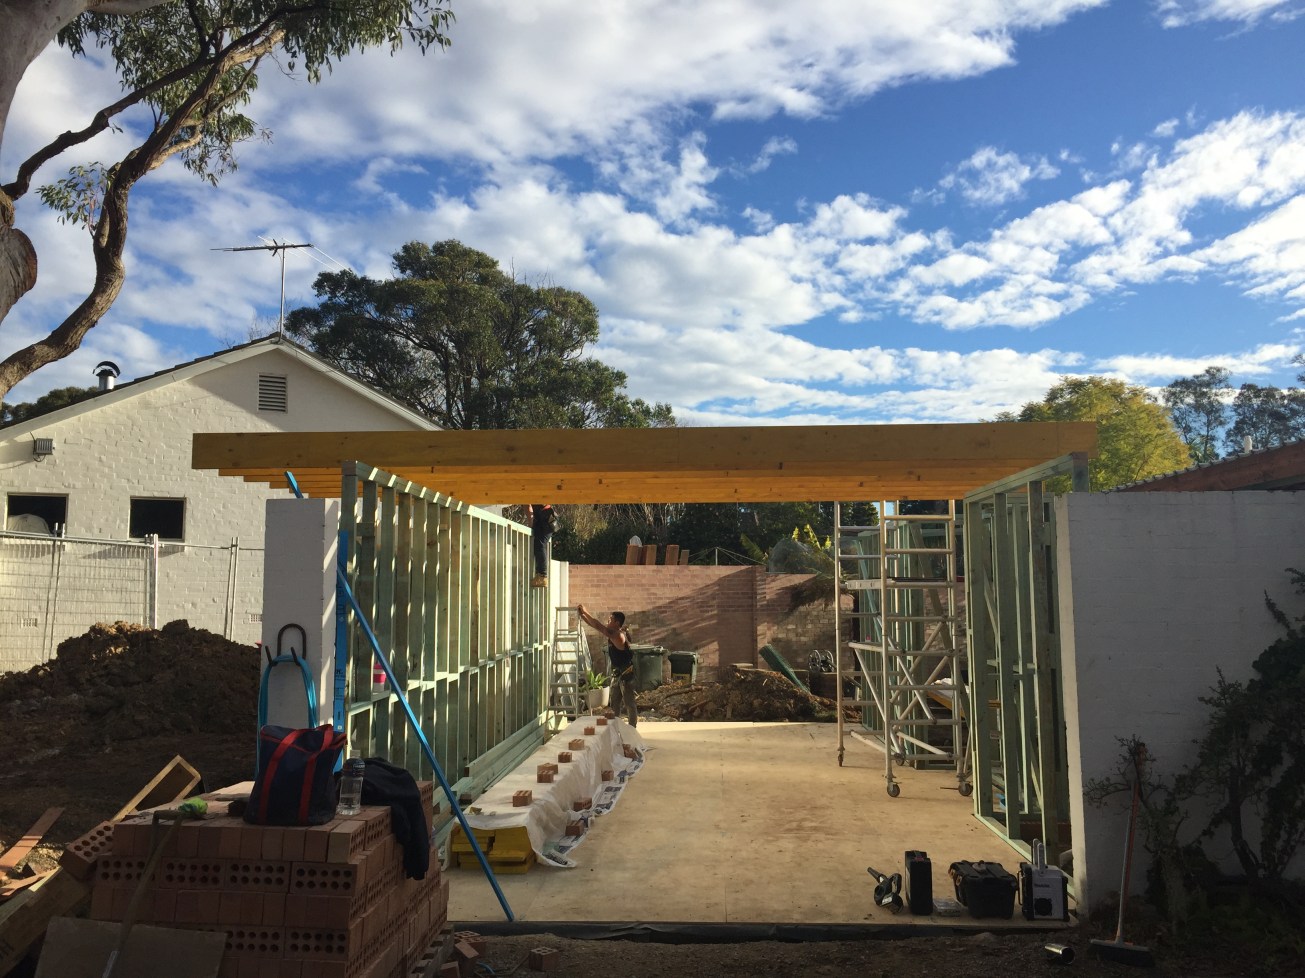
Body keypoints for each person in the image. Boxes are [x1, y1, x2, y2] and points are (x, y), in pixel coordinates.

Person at [576, 603, 637, 726]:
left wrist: (586, 611)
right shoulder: (614, 633)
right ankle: (616, 728)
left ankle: (632, 730)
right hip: (617, 673)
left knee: (629, 703)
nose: (608, 620)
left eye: (611, 619)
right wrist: (582, 616)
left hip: (626, 675)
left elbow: (598, 625)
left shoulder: (617, 635)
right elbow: (594, 625)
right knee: (614, 703)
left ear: (617, 623)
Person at [527, 504, 555, 587]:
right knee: (539, 544)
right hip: (547, 516)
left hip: (545, 518)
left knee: (540, 545)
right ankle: (541, 575)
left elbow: (528, 508)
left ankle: (542, 576)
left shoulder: (525, 495)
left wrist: (531, 525)